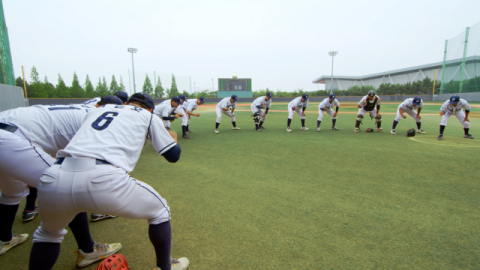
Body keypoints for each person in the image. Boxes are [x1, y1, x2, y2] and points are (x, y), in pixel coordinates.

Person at [28, 93, 189, 270]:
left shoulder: (101, 109)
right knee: (160, 211)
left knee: (48, 234)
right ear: (150, 109)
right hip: (103, 178)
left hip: (55, 175)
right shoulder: (148, 116)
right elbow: (173, 156)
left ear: (126, 103)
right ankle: (165, 267)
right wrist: (173, 142)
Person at [0, 96, 122, 266]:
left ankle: (4, 239)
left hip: (8, 129)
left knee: (12, 193)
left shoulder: (83, 108)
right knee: (68, 187)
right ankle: (88, 250)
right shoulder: (97, 118)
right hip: (10, 140)